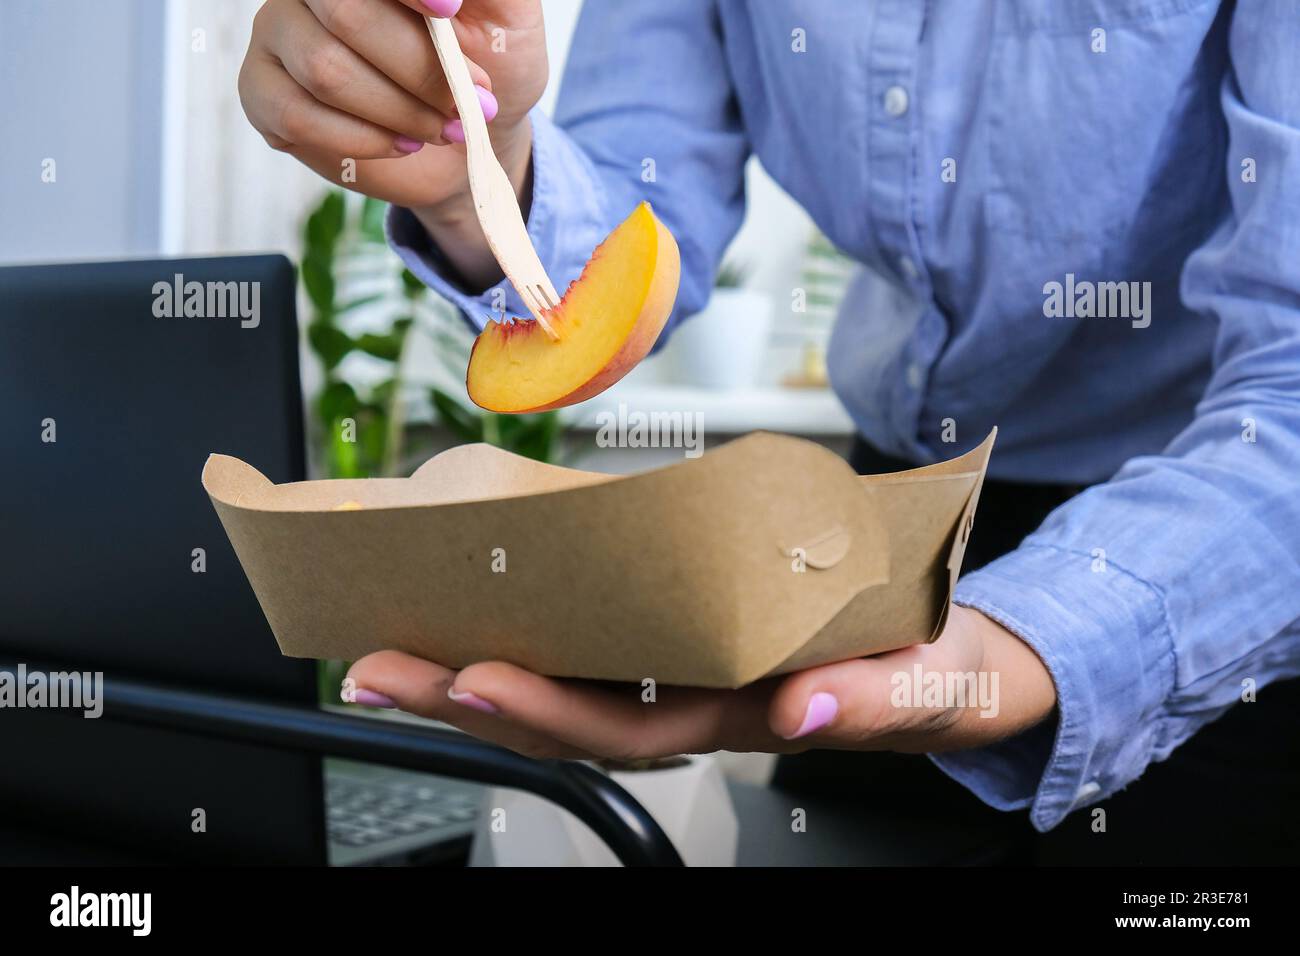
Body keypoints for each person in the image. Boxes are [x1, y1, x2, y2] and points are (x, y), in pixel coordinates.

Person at [239, 0, 1300, 862]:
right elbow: (643, 221)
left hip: (1213, 573)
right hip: (887, 543)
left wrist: (1001, 646)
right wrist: (478, 169)